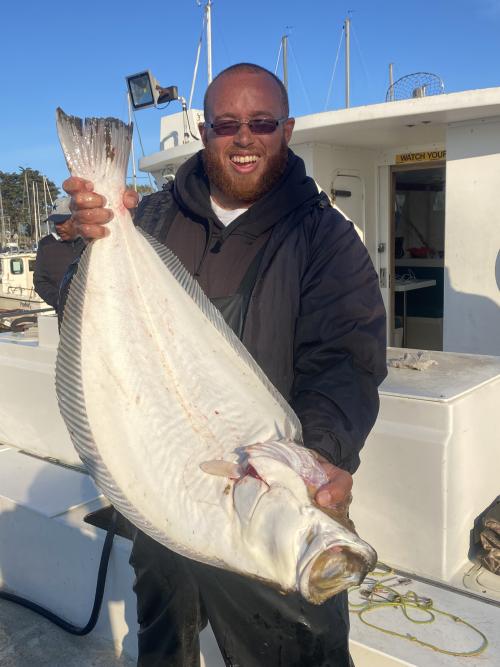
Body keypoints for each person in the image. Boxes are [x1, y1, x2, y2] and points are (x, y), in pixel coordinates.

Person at [63, 63, 387, 667]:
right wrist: (74, 235)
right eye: (226, 124)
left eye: (261, 122)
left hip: (268, 506)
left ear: (286, 129)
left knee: (297, 651)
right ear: (205, 133)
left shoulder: (325, 238)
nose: (244, 137)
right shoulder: (152, 219)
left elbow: (346, 361)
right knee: (165, 646)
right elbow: (64, 292)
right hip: (167, 492)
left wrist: (319, 454)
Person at [34, 196, 85, 312]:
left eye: (62, 221)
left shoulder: (92, 242)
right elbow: (40, 281)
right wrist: (59, 301)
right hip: (65, 316)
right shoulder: (45, 245)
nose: (58, 226)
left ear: (77, 219)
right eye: (55, 222)